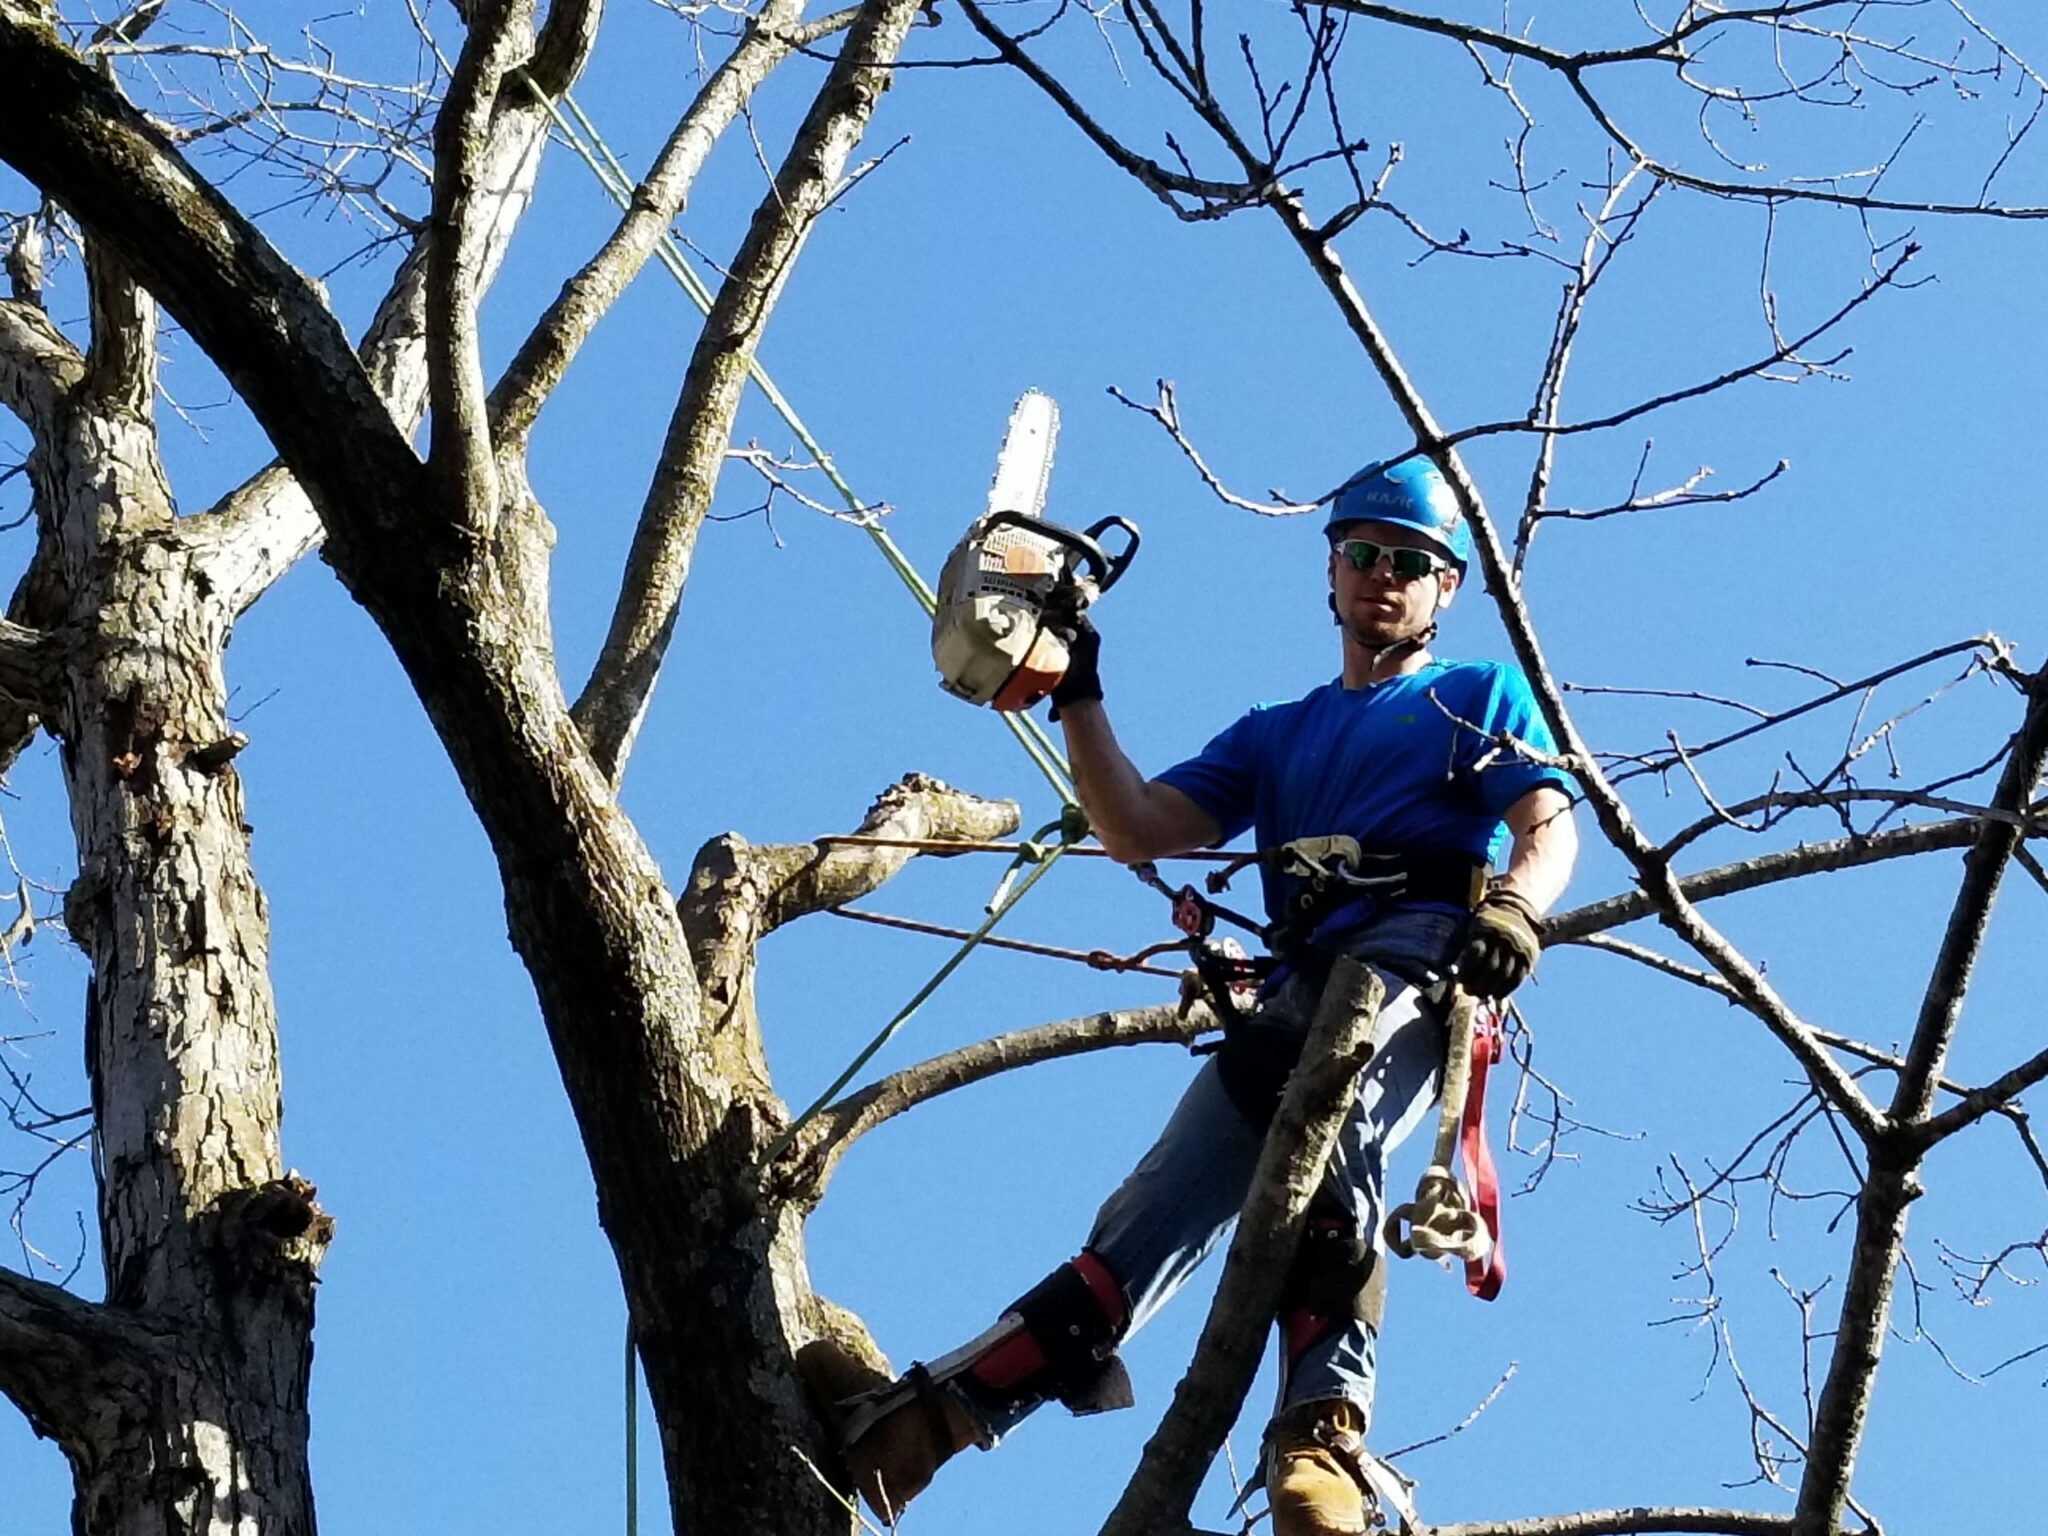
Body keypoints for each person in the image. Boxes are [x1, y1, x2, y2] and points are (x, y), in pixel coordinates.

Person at [801, 455, 1579, 1534]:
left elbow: (1547, 823)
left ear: (1444, 587)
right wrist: (1075, 689)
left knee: (1335, 1140)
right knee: (1147, 1214)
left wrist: (1515, 912)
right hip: (1294, 989)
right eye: (1360, 554)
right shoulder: (1276, 731)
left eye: (1408, 563)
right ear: (1330, 573)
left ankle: (1321, 1440)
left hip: (1419, 961)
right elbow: (1132, 826)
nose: (1380, 578)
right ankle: (925, 1427)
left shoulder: (1471, 696)